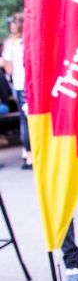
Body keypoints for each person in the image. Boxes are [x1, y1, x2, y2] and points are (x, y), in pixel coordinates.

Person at [1, 13, 30, 168]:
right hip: (31, 84)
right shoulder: (30, 40)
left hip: (19, 85)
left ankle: (28, 154)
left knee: (24, 121)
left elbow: (8, 69)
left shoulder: (10, 43)